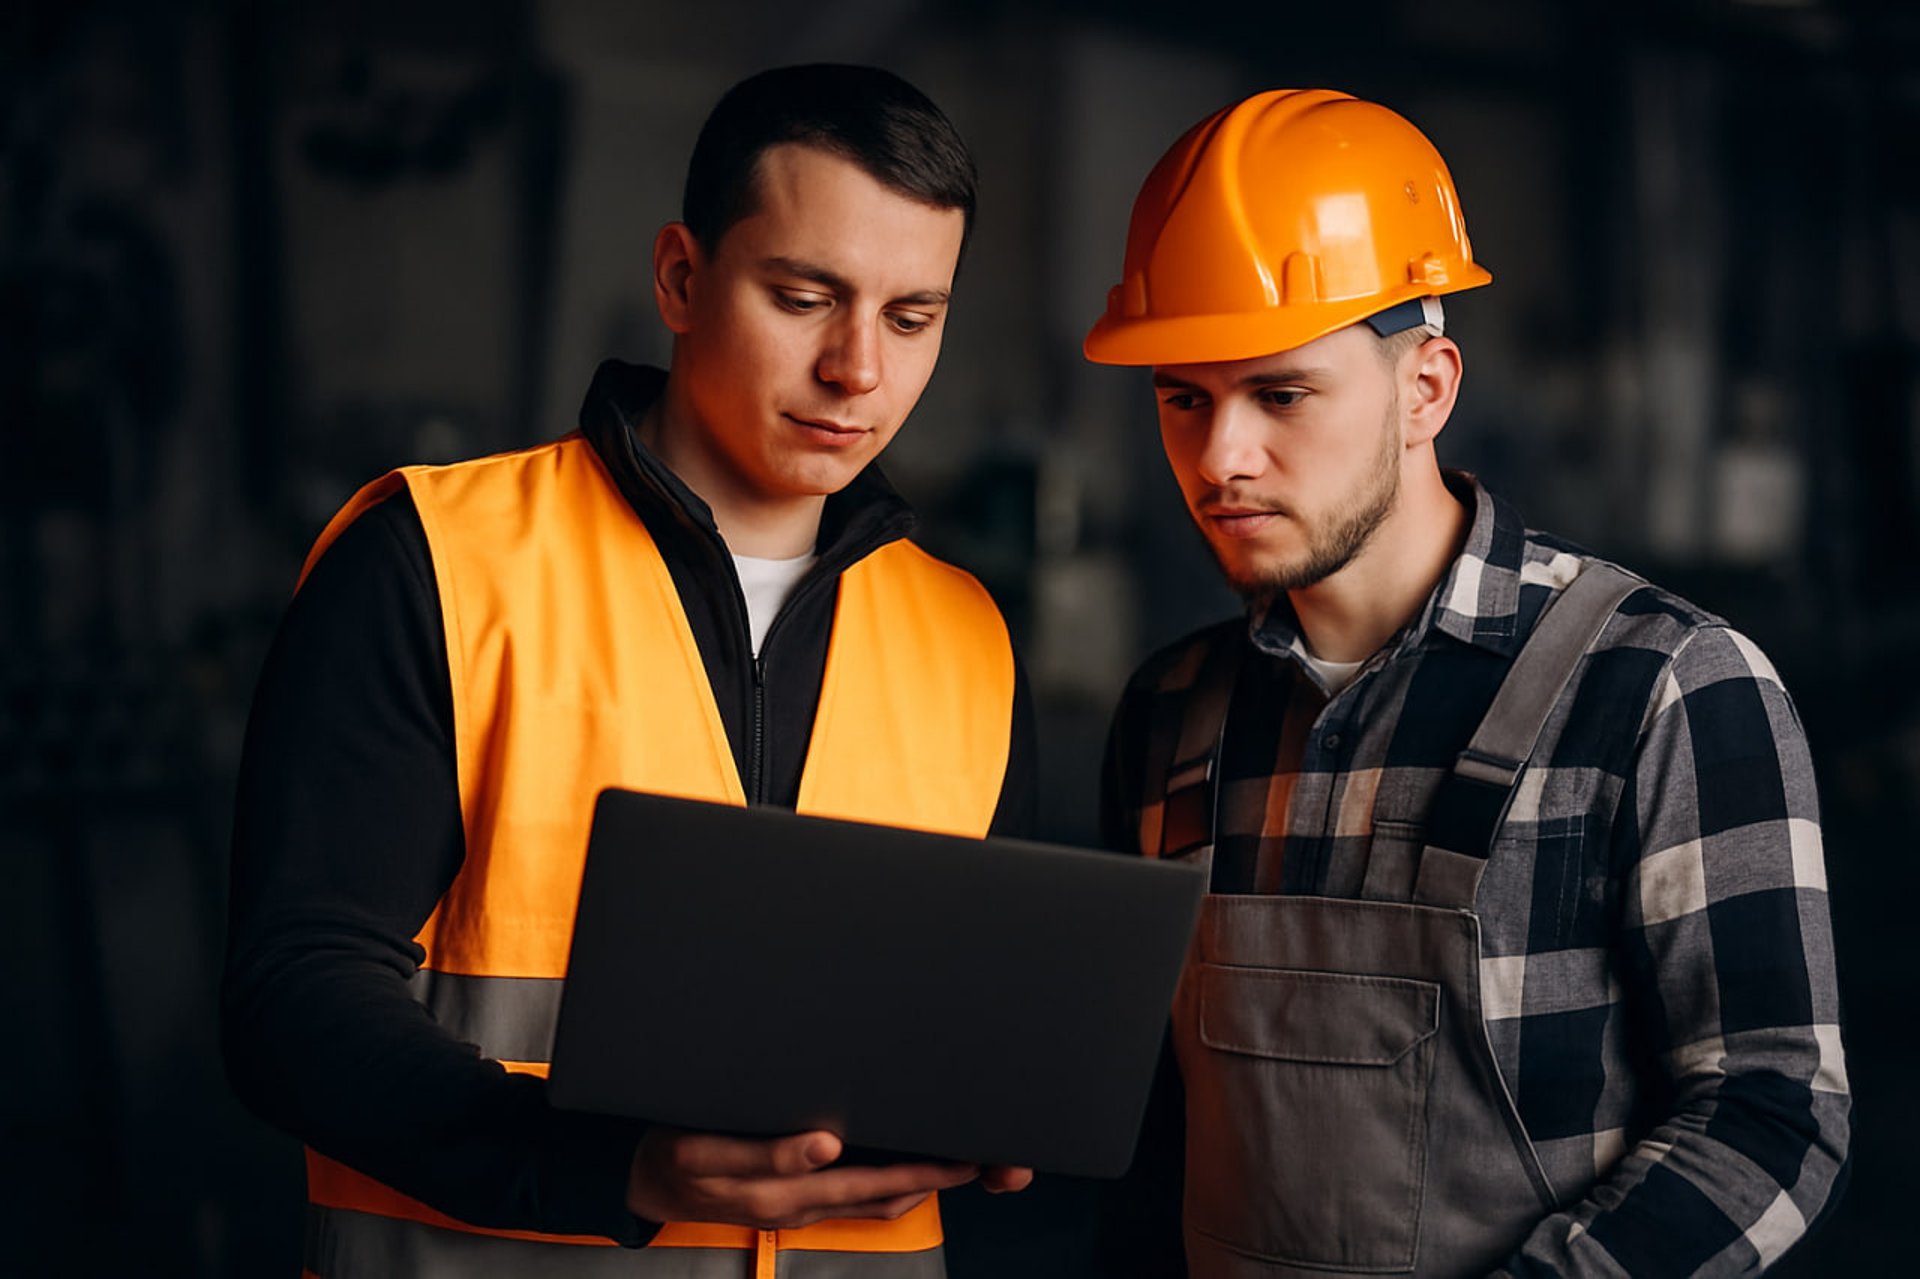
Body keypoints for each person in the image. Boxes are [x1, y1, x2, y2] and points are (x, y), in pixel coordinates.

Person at [223, 63, 1034, 1277]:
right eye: (805, 297)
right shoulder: (435, 560)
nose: (859, 369)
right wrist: (615, 1165)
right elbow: (290, 1000)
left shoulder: (966, 631)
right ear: (680, 278)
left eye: (911, 317)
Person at [1087, 89, 1849, 1277]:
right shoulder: (1169, 715)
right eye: (1185, 399)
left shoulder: (1663, 687)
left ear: (1426, 388)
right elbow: (1151, 1144)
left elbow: (1773, 1109)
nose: (1221, 456)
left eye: (1281, 394)